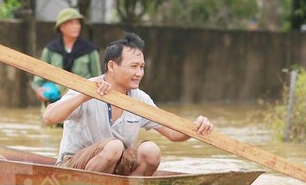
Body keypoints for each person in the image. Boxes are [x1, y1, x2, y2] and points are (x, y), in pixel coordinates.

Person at [42, 32, 214, 176]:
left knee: (151, 152)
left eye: (142, 67)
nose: (139, 73)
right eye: (134, 66)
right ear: (112, 66)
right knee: (114, 146)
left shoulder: (140, 99)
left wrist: (195, 128)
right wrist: (84, 97)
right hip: (73, 165)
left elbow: (173, 134)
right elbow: (49, 117)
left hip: (115, 163)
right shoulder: (88, 88)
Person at [31, 7, 102, 105]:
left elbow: (98, 78)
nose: (75, 26)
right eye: (71, 23)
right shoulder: (51, 49)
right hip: (54, 102)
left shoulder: (90, 50)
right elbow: (40, 74)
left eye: (77, 23)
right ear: (61, 26)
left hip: (82, 102)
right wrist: (39, 90)